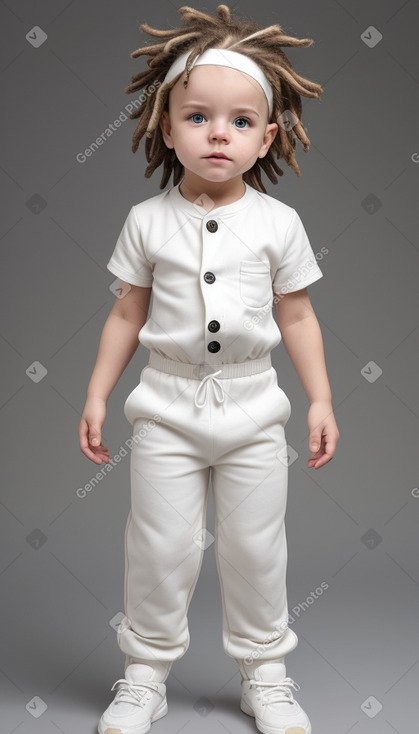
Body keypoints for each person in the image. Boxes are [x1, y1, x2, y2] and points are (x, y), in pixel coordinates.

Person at [78, 5, 340, 734]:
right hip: (165, 408)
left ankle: (266, 675)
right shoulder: (145, 220)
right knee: (158, 546)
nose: (217, 132)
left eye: (238, 120)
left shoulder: (278, 226)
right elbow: (127, 314)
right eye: (197, 117)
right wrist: (98, 393)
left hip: (255, 411)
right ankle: (144, 675)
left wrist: (319, 399)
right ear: (166, 129)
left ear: (267, 137)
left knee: (257, 548)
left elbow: (297, 317)